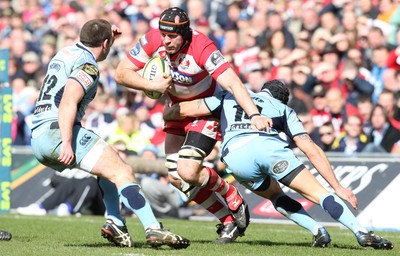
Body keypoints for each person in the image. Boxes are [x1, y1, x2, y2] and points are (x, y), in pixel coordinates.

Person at [163, 80, 394, 250]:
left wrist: (168, 111)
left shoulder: (231, 95)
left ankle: (317, 231)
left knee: (275, 196)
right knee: (321, 194)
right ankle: (362, 232)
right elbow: (310, 148)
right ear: (282, 98)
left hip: (236, 158)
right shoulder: (284, 109)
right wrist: (338, 186)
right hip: (270, 150)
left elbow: (184, 110)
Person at [114, 7, 272, 243]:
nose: (166, 41)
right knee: (177, 179)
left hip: (204, 111)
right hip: (175, 112)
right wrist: (151, 85)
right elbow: (121, 73)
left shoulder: (202, 47)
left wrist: (254, 114)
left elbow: (234, 83)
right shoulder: (153, 39)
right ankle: (227, 222)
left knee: (188, 171)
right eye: (163, 35)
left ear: (185, 33)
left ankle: (231, 194)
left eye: (172, 36)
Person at [29, 19, 189, 249]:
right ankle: (153, 227)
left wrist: (106, 34)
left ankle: (115, 221)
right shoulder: (89, 66)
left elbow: (92, 36)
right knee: (123, 171)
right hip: (58, 132)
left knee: (110, 165)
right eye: (108, 43)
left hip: (39, 136)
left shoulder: (64, 52)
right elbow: (68, 100)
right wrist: (66, 142)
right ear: (105, 44)